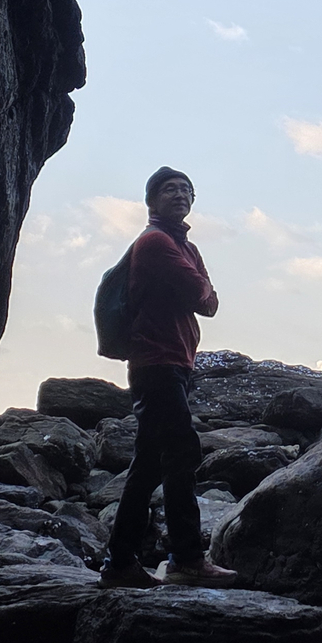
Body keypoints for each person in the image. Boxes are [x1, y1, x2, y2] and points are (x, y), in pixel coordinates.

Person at [99, 166, 239, 588]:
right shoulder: (156, 242)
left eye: (186, 190)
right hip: (157, 362)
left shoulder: (185, 246)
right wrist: (202, 287)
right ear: (152, 201)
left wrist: (202, 288)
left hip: (173, 362)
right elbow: (202, 295)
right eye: (169, 189)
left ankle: (120, 563)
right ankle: (187, 558)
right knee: (181, 453)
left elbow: (208, 304)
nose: (180, 195)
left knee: (148, 464)